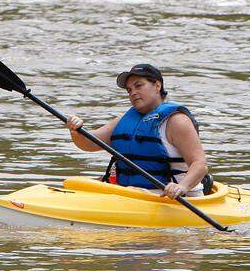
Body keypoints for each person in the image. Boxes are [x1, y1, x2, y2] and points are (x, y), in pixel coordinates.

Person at [65, 63, 209, 199]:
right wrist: (76, 131)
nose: (133, 93)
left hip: (173, 198)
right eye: (129, 90)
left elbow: (200, 164)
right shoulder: (124, 120)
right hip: (132, 194)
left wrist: (182, 187)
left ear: (157, 85)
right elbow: (88, 144)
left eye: (138, 86)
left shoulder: (177, 121)